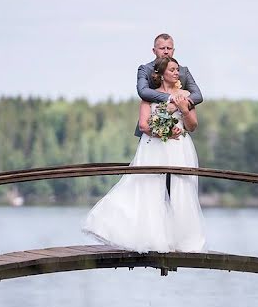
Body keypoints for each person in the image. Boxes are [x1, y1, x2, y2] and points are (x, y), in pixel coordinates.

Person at [83, 56, 206, 252]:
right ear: (162, 74)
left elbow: (192, 126)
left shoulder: (185, 94)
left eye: (177, 70)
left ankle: (184, 240)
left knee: (181, 189)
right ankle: (152, 238)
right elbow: (144, 125)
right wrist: (165, 131)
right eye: (172, 69)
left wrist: (184, 109)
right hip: (155, 146)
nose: (177, 72)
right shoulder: (150, 96)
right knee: (148, 187)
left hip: (180, 147)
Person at [134, 33, 203, 137]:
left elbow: (197, 95)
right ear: (154, 50)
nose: (166, 51)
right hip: (151, 129)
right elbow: (143, 91)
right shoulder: (145, 69)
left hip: (179, 130)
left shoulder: (183, 71)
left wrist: (177, 105)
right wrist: (171, 98)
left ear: (173, 50)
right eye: (162, 48)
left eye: (169, 48)